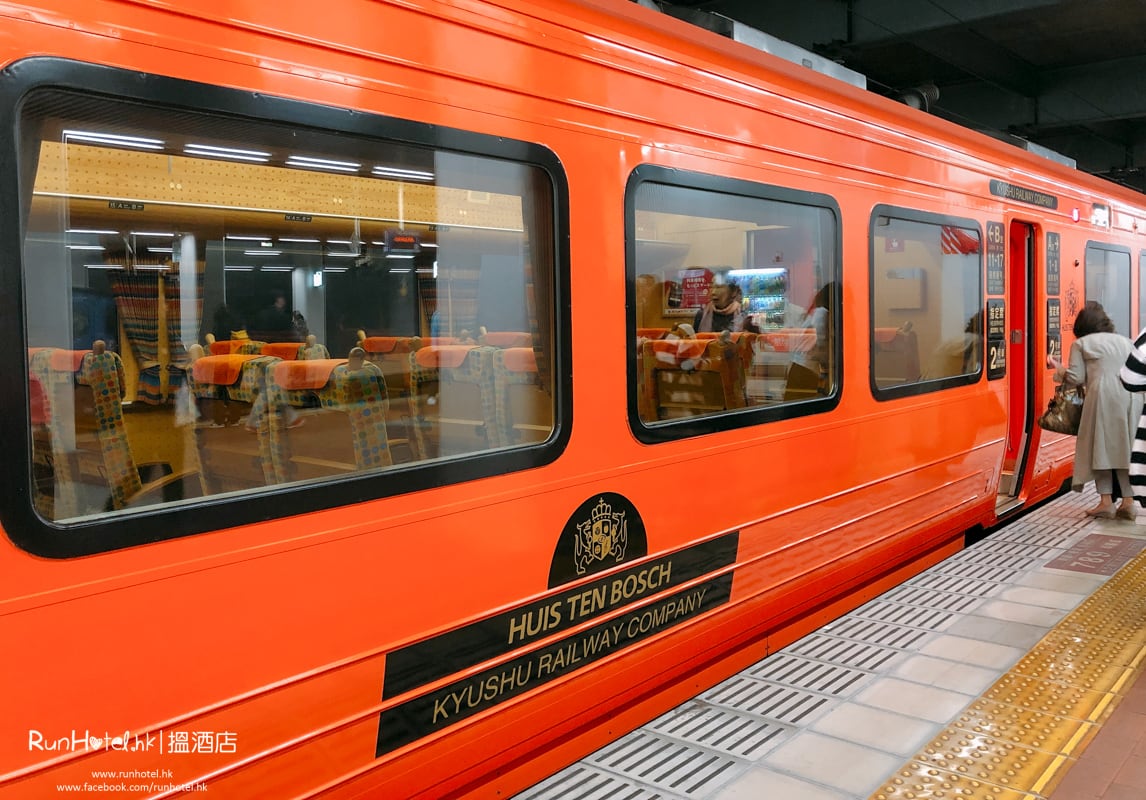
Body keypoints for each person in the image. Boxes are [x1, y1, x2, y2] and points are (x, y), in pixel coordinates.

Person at [1049, 301, 1143, 520]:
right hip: (1132, 396)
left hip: (1103, 398)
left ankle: (1106, 502)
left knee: (1099, 448)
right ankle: (1129, 503)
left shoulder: (1081, 344)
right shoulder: (1125, 341)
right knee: (1124, 450)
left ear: (1081, 327)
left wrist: (1058, 368)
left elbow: (1076, 378)